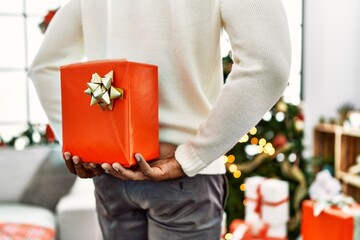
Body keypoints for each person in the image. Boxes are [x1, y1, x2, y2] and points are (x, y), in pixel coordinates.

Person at [29, 0, 291, 239]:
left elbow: (44, 68)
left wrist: (82, 144)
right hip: (185, 178)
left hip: (112, 171)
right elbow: (268, 64)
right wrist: (192, 156)